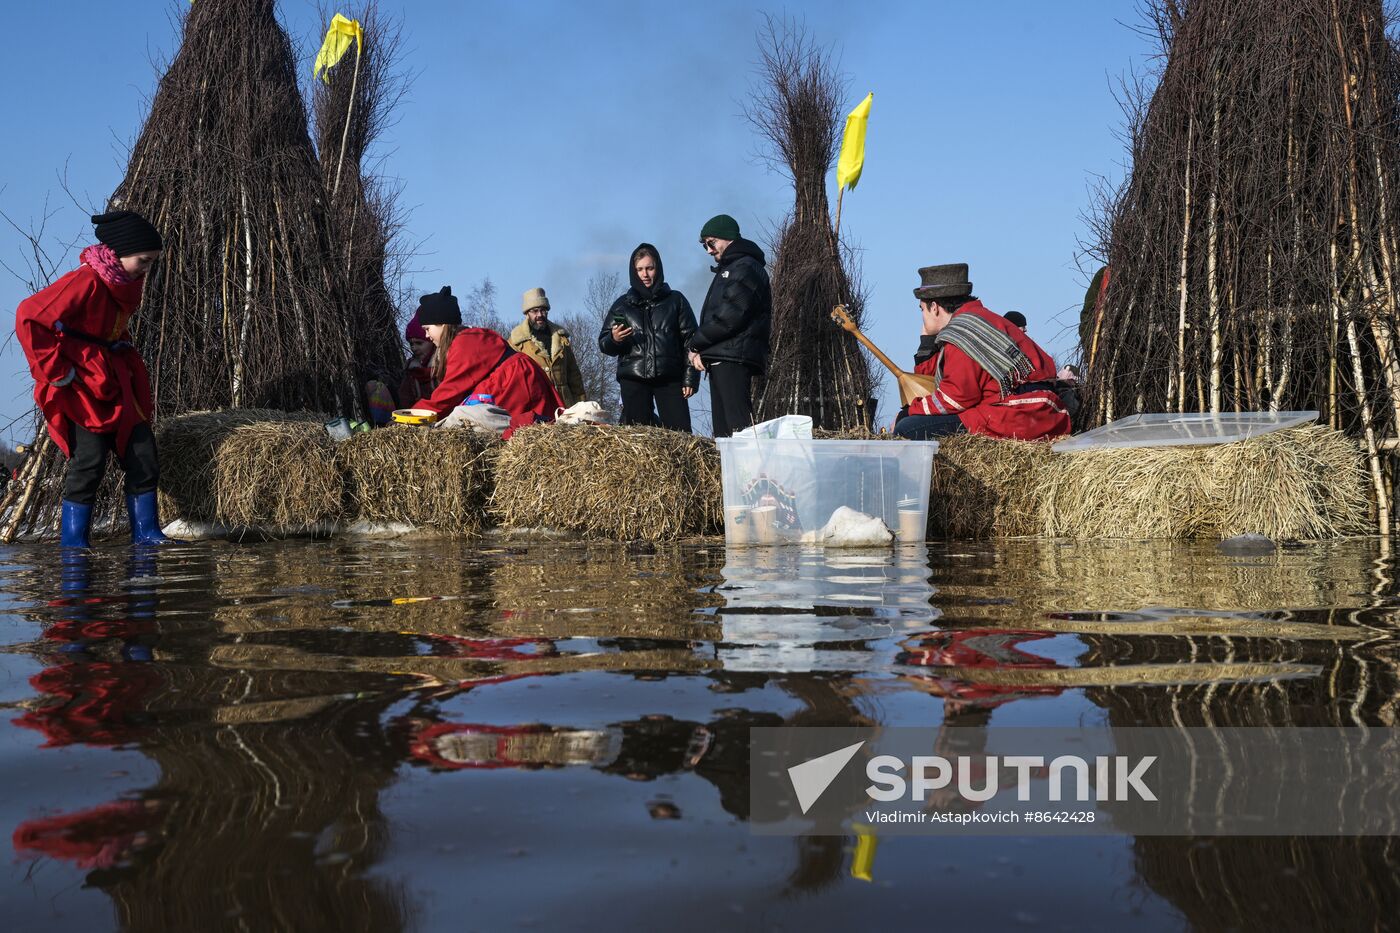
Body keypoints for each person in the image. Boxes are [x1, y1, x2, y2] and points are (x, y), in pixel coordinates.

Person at [15, 210, 173, 547]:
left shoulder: (125, 282)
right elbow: (30, 315)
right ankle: (74, 542)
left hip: (117, 379)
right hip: (83, 385)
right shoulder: (85, 281)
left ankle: (147, 534)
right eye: (143, 261)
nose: (146, 270)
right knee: (89, 460)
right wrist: (58, 373)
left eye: (151, 263)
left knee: (143, 453)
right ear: (118, 253)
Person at [893, 263, 1071, 441]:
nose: (922, 316)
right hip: (1043, 412)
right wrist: (927, 342)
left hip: (1016, 415)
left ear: (934, 307)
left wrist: (909, 412)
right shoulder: (981, 321)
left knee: (907, 429)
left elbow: (955, 398)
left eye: (922, 309)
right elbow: (932, 379)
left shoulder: (962, 334)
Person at [413, 286, 562, 439]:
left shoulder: (464, 344)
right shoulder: (468, 339)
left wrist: (412, 417)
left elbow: (447, 396)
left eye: (427, 328)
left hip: (516, 383)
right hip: (519, 378)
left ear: (442, 324)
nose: (426, 335)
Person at [686, 214, 771, 437]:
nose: (708, 250)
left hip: (733, 355)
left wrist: (696, 344)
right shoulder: (732, 267)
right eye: (705, 245)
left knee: (738, 428)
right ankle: (730, 471)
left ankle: (751, 471)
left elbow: (730, 317)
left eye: (711, 243)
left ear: (727, 237)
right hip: (723, 355)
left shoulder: (744, 267)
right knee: (724, 433)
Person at [599, 243, 699, 431]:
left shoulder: (676, 301)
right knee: (637, 439)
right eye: (640, 269)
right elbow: (603, 344)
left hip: (670, 378)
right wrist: (614, 339)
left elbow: (692, 341)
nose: (645, 274)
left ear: (658, 268)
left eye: (649, 268)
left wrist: (690, 377)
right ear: (633, 271)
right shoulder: (622, 305)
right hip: (633, 378)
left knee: (681, 435)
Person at [509, 287, 586, 407]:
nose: (539, 315)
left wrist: (582, 406)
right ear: (527, 313)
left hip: (565, 407)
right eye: (535, 311)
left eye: (543, 310)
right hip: (537, 407)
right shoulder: (516, 343)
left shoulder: (561, 338)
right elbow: (513, 383)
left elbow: (574, 375)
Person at [397, 311, 436, 407]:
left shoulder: (445, 365)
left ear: (431, 341)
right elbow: (405, 399)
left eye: (419, 343)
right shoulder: (410, 371)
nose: (414, 348)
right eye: (411, 344)